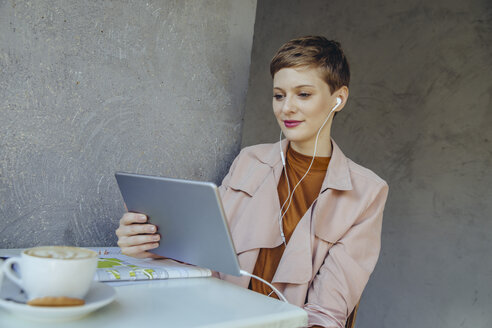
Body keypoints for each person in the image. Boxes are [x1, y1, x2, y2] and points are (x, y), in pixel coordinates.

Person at [116, 36, 389, 328]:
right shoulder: (249, 160)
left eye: (304, 94)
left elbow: (326, 314)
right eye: (279, 95)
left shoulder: (367, 192)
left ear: (339, 98)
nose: (287, 109)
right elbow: (204, 257)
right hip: (210, 317)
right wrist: (150, 245)